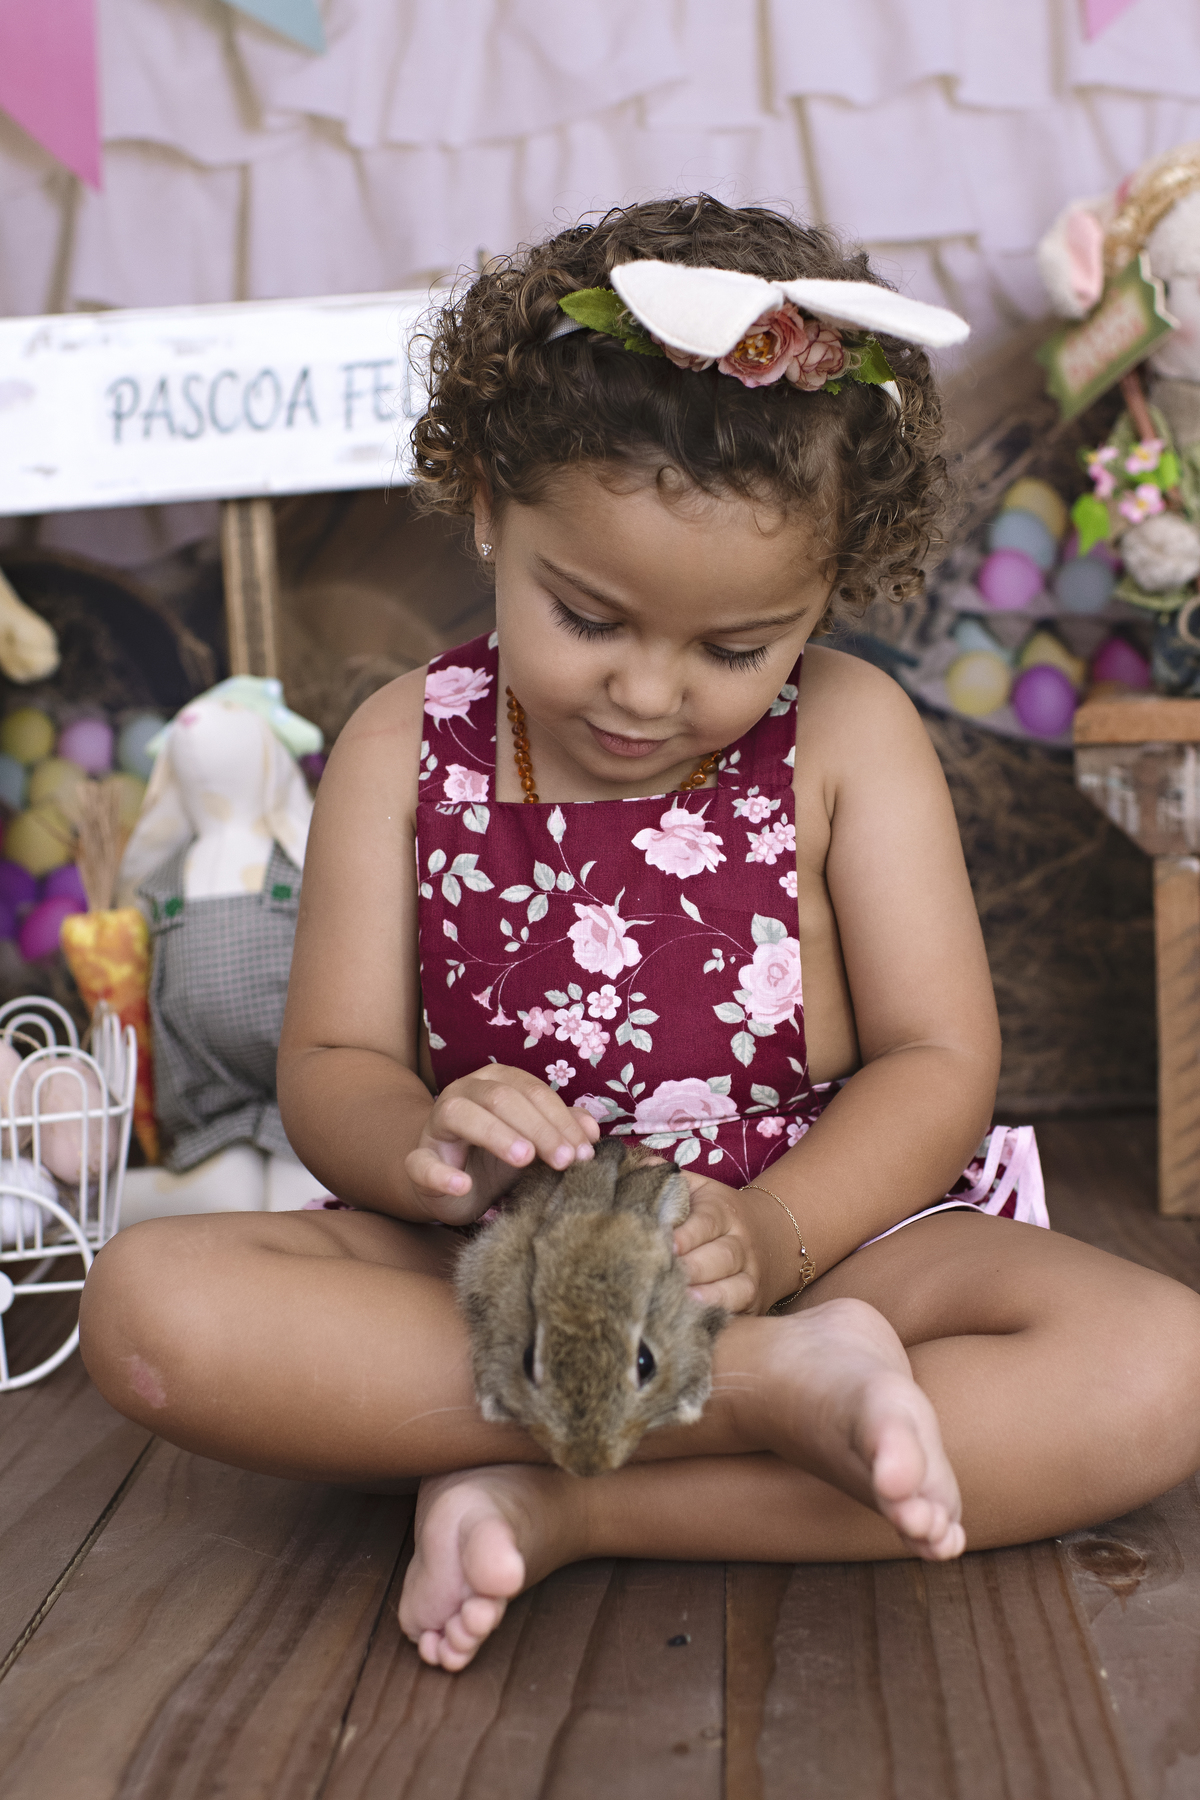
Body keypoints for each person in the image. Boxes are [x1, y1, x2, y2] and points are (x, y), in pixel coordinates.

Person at [80, 197, 1200, 1674]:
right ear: (488, 505)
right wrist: (426, 1139)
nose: (650, 693)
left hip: (826, 1251)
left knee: (1161, 1369)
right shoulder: (402, 744)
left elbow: (938, 1061)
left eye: (737, 649)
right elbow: (335, 1067)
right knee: (151, 1310)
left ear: (824, 592)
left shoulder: (851, 737)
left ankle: (566, 1506)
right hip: (501, 1276)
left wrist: (780, 1232)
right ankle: (762, 1399)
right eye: (590, 616)